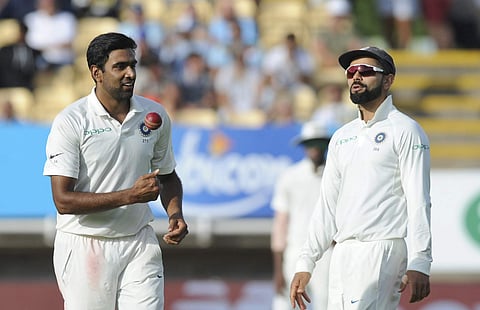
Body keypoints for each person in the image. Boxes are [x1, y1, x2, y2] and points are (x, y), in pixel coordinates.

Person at [43, 32, 188, 310]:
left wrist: (175, 213)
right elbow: (63, 201)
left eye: (132, 65)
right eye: (119, 67)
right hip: (85, 243)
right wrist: (129, 196)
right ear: (96, 72)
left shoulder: (153, 115)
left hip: (138, 240)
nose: (130, 74)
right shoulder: (71, 122)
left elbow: (167, 175)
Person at [290, 46, 432, 309]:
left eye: (366, 71)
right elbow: (327, 206)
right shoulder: (342, 136)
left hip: (381, 248)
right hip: (342, 252)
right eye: (351, 71)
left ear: (388, 80)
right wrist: (305, 262)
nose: (356, 76)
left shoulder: (406, 130)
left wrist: (420, 260)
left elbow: (418, 200)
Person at [271, 121, 333, 310]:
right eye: (310, 144)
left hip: (327, 253)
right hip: (295, 251)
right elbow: (280, 225)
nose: (314, 148)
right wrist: (278, 270)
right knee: (286, 304)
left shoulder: (335, 175)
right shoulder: (291, 177)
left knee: (325, 302)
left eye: (319, 143)